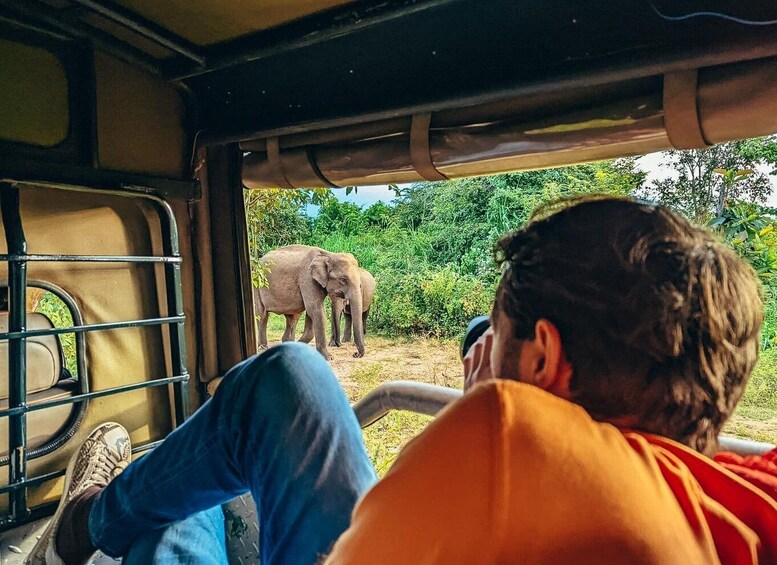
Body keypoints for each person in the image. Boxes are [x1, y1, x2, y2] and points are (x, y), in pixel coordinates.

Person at [29, 197, 777, 565]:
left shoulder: (510, 443)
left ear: (543, 358)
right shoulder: (753, 492)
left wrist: (496, 400)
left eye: (494, 331)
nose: (478, 352)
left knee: (182, 507)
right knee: (273, 402)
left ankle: (93, 522)